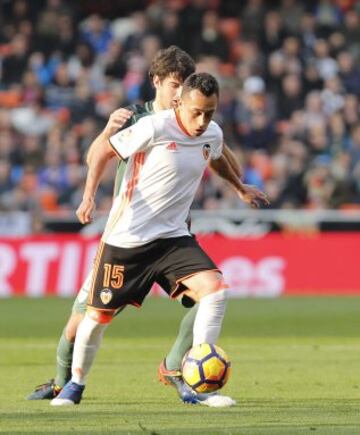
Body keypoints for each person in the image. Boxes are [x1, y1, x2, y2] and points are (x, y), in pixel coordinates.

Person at [27, 46, 264, 407]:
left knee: (213, 293)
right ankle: (66, 384)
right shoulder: (142, 121)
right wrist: (89, 196)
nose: (182, 95)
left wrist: (239, 186)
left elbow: (216, 150)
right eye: (175, 85)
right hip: (127, 235)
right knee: (87, 320)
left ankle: (185, 374)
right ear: (158, 83)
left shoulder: (206, 127)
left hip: (172, 235)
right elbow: (101, 153)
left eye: (187, 87)